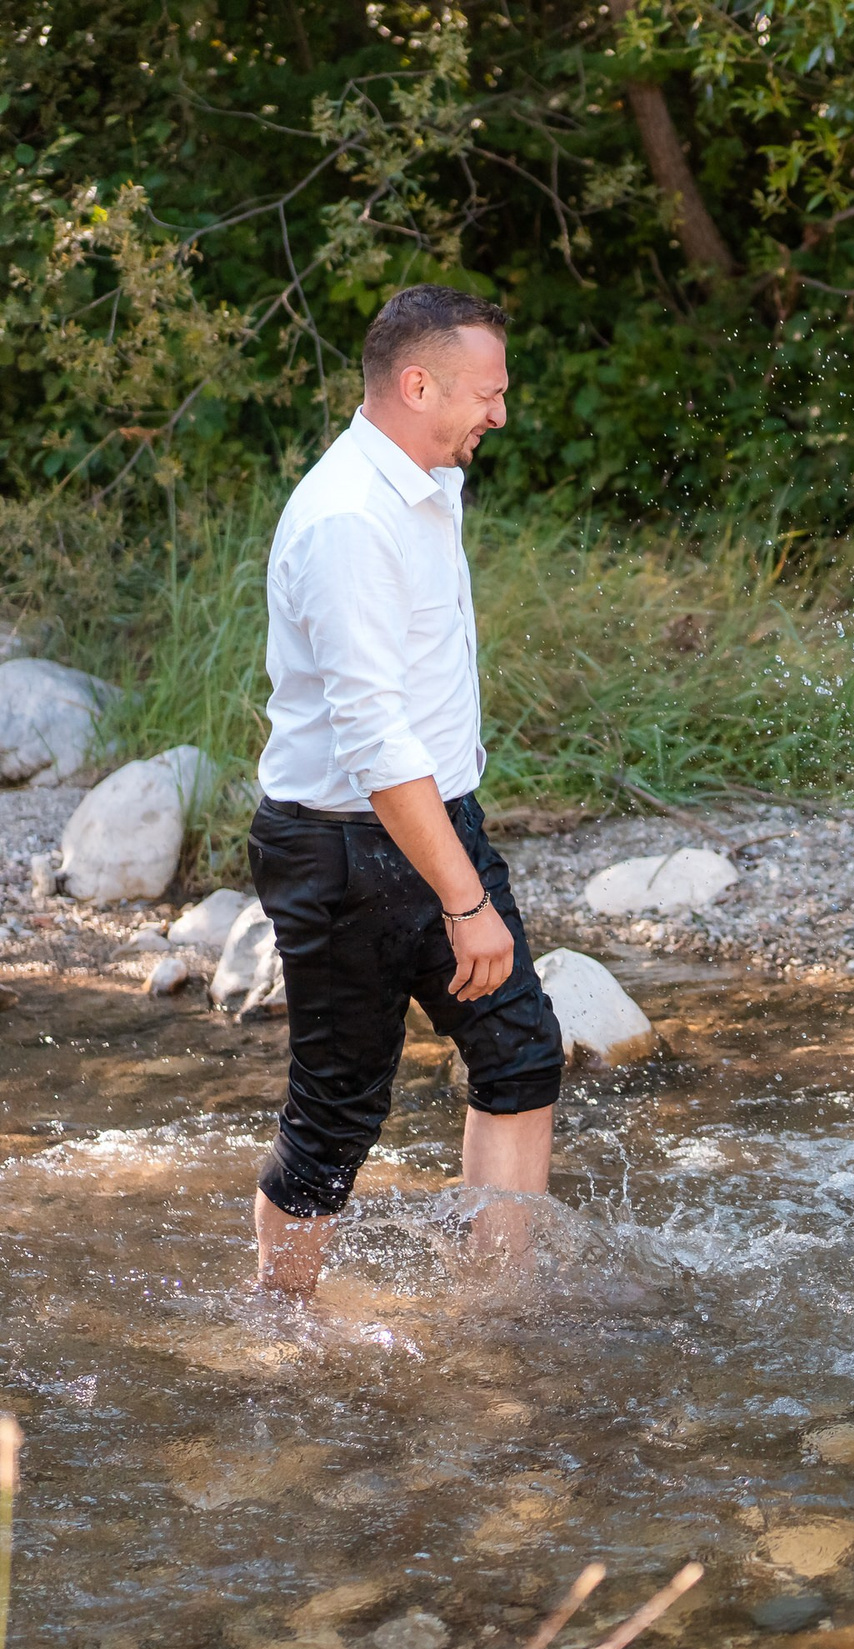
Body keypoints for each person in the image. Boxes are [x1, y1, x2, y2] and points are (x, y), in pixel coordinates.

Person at [248, 283, 565, 1294]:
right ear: (417, 384)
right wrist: (465, 901)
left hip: (432, 817)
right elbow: (378, 745)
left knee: (519, 1053)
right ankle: (281, 1325)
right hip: (341, 844)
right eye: (487, 392)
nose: (500, 414)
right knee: (339, 1107)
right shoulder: (347, 519)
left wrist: (460, 863)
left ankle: (495, 1307)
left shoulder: (424, 481)